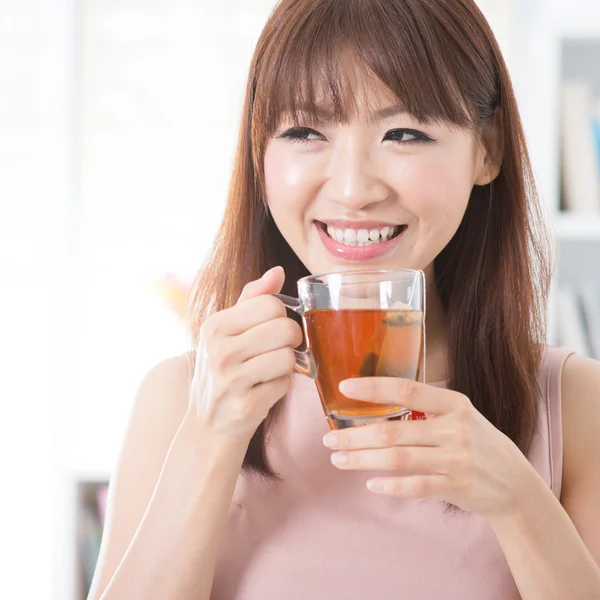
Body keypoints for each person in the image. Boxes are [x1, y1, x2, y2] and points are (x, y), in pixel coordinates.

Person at [87, 0, 600, 598]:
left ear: (487, 150)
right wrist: (211, 437)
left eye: (404, 132)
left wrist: (518, 500)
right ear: (260, 154)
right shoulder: (180, 399)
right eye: (305, 132)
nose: (354, 189)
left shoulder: (574, 403)